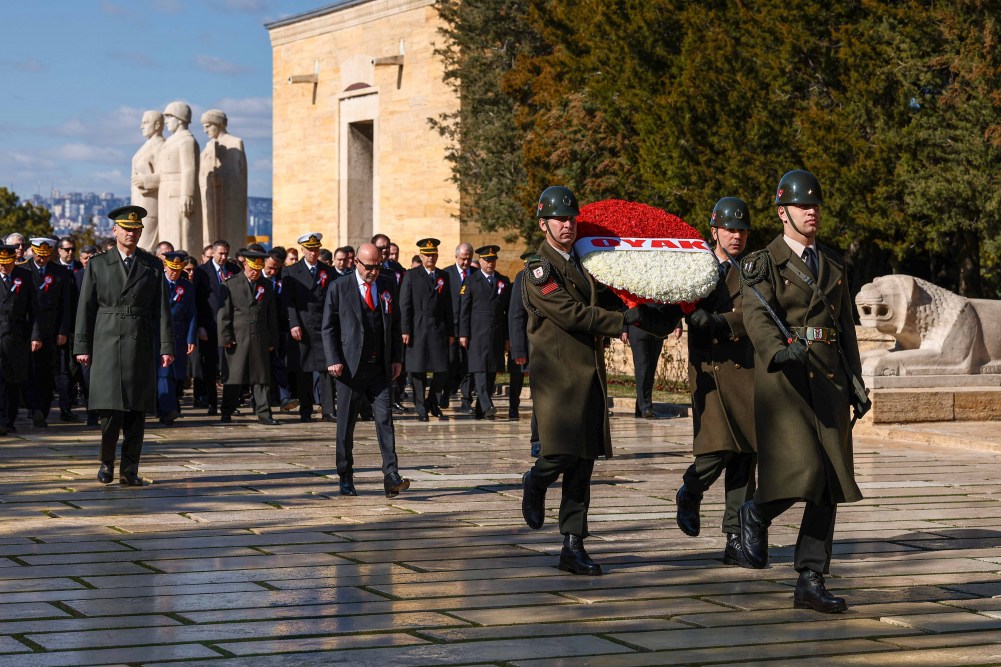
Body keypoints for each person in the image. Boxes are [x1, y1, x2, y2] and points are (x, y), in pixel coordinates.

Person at [738, 170, 866, 613]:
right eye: (802, 206)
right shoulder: (763, 262)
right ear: (782, 212)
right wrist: (777, 351)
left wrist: (856, 380)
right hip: (786, 379)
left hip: (828, 377)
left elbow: (845, 328)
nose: (811, 212)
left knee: (828, 480)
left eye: (815, 206)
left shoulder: (832, 263)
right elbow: (756, 315)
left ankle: (811, 579)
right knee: (804, 469)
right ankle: (756, 511)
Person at [519, 186, 650, 575]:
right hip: (558, 377)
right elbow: (570, 313)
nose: (568, 225)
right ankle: (536, 481)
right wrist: (621, 320)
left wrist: (642, 298)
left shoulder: (583, 261)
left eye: (572, 218)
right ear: (543, 225)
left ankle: (573, 545)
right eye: (559, 219)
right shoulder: (538, 270)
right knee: (559, 452)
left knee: (584, 462)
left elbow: (601, 299)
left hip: (589, 373)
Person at [675, 196, 757, 568]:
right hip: (710, 372)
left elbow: (757, 312)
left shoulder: (754, 270)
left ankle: (735, 538)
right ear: (715, 231)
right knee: (715, 450)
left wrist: (721, 321)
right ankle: (691, 490)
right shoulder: (696, 265)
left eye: (742, 230)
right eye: (729, 229)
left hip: (746, 371)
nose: (736, 236)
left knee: (745, 455)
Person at [74, 205, 174, 486]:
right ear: (115, 230)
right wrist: (82, 345)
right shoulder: (98, 264)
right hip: (107, 341)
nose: (131, 233)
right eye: (126, 229)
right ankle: (106, 462)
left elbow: (162, 310)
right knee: (109, 409)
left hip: (139, 341)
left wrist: (167, 346)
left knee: (136, 411)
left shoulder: (152, 265)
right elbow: (86, 308)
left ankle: (129, 469)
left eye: (136, 229)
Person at [321, 243, 410, 498]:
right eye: (369, 267)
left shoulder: (387, 284)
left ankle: (391, 475)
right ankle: (345, 475)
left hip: (379, 367)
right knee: (346, 425)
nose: (373, 271)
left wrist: (396, 358)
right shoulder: (339, 287)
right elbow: (328, 327)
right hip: (349, 369)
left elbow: (395, 323)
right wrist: (333, 359)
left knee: (385, 420)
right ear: (356, 263)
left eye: (377, 266)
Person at [218, 250, 279, 425]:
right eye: (253, 269)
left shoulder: (266, 285)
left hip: (259, 338)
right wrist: (226, 338)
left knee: (261, 378)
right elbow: (224, 315)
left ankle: (264, 413)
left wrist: (272, 340)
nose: (255, 273)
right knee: (233, 377)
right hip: (238, 338)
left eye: (259, 269)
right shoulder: (231, 284)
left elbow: (271, 315)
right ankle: (227, 411)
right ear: (245, 264)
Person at [399, 238, 454, 421]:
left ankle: (432, 401)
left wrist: (451, 331)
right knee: (418, 370)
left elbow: (448, 305)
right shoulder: (412, 275)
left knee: (442, 369)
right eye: (427, 254)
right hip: (418, 326)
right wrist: (405, 329)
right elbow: (405, 304)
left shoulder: (443, 276)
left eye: (433, 254)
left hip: (438, 327)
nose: (430, 258)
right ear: (421, 256)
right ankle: (420, 406)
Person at [284, 232, 336, 423]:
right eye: (309, 249)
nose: (313, 253)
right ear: (302, 250)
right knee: (304, 369)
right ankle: (305, 409)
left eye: (316, 249)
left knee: (327, 368)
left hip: (323, 324)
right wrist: (294, 323)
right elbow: (288, 301)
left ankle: (328, 409)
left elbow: (332, 298)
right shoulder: (291, 271)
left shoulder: (327, 271)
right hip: (303, 324)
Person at [24, 237, 74, 427]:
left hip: (52, 330)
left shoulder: (60, 273)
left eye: (46, 255)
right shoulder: (24, 270)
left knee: (47, 373)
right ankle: (33, 408)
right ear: (32, 251)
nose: (42, 259)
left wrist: (63, 330)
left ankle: (42, 411)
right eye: (39, 255)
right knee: (30, 372)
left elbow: (66, 305)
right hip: (27, 330)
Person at [458, 245, 511, 419]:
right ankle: (488, 405)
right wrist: (463, 334)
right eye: (487, 260)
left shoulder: (503, 281)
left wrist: (507, 337)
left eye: (493, 260)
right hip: (477, 333)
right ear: (480, 261)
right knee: (479, 369)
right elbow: (464, 310)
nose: (490, 263)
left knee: (491, 371)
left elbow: (507, 312)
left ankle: (482, 410)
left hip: (496, 333)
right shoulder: (471, 281)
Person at [193, 240, 239, 415]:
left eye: (226, 253)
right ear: (213, 253)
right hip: (209, 325)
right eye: (220, 253)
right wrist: (199, 326)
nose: (223, 257)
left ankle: (230, 405)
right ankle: (212, 402)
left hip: (230, 326)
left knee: (230, 366)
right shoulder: (202, 271)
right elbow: (197, 300)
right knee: (210, 367)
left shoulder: (234, 270)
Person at [0, 245, 41, 436]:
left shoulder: (24, 277)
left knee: (13, 381)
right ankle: (2, 420)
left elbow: (34, 310)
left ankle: (9, 419)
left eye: (7, 263)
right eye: (1, 263)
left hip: (17, 337)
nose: (4, 267)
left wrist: (35, 335)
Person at [156, 252, 196, 425]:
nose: (175, 273)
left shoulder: (186, 286)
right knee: (164, 373)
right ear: (165, 266)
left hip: (179, 335)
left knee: (177, 374)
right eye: (172, 269)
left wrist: (191, 338)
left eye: (178, 269)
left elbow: (192, 314)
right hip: (160, 334)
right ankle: (167, 410)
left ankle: (168, 406)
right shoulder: (157, 283)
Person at [509, 251, 541, 451]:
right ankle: (537, 440)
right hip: (533, 346)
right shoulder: (522, 278)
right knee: (540, 395)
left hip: (557, 346)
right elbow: (516, 315)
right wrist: (519, 350)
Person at [262, 248, 298, 413]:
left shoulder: (283, 279)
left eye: (276, 268)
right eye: (270, 267)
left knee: (279, 363)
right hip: (261, 329)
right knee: (262, 367)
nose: (273, 271)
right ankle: (261, 401)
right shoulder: (257, 278)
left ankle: (284, 397)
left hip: (279, 328)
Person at [443, 243, 473, 411]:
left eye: (469, 259)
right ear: (456, 257)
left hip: (470, 329)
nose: (466, 262)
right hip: (451, 329)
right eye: (463, 259)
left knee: (468, 366)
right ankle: (446, 393)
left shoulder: (476, 274)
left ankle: (466, 400)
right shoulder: (446, 275)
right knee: (451, 364)